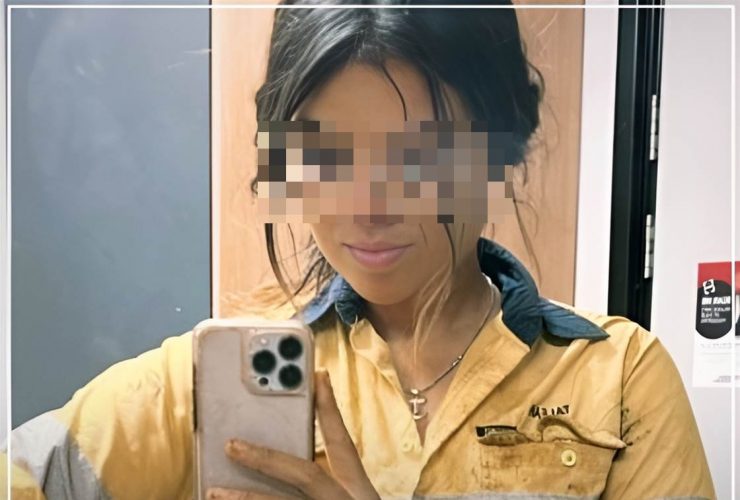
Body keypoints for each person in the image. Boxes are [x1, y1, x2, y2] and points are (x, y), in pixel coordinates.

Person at [4, 1, 716, 498]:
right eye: (325, 155)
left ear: (500, 152)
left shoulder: (619, 381)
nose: (366, 206)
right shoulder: (226, 373)